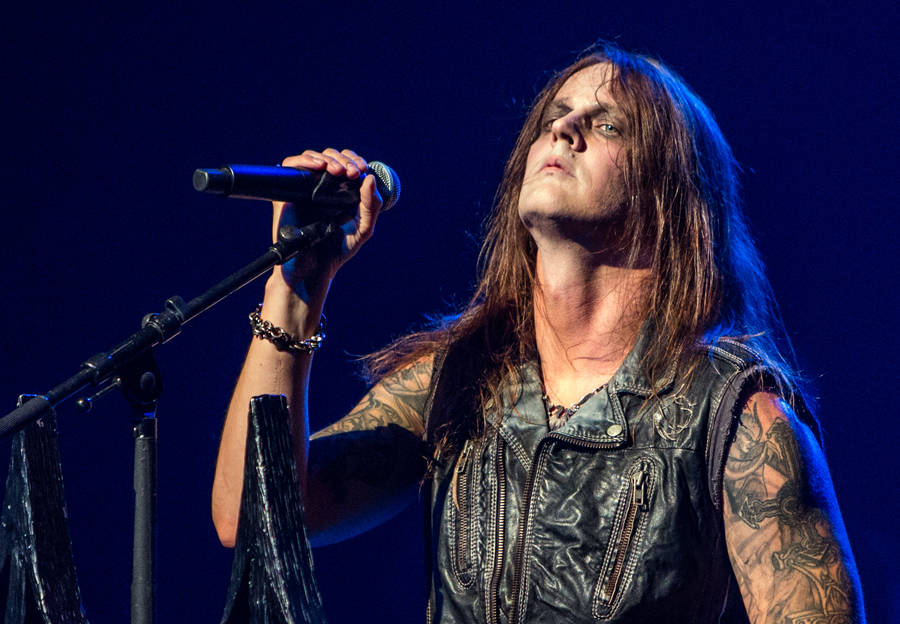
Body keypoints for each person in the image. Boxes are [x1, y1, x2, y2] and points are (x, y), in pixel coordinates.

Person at [211, 42, 865, 623]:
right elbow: (252, 518)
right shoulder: (462, 379)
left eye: (607, 124)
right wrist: (296, 285)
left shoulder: (737, 416)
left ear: (670, 200)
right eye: (554, 117)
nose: (565, 130)